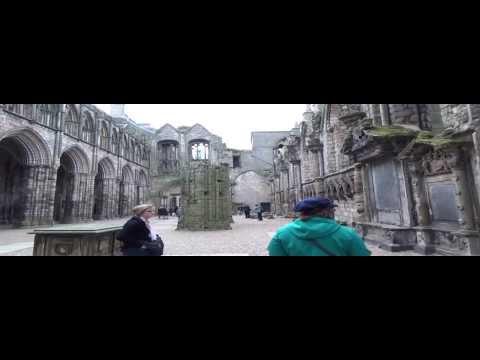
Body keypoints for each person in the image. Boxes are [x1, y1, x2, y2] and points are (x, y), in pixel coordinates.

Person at [267, 197, 371, 256]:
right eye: (332, 210)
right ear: (326, 212)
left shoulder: (282, 234)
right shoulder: (348, 234)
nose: (334, 212)